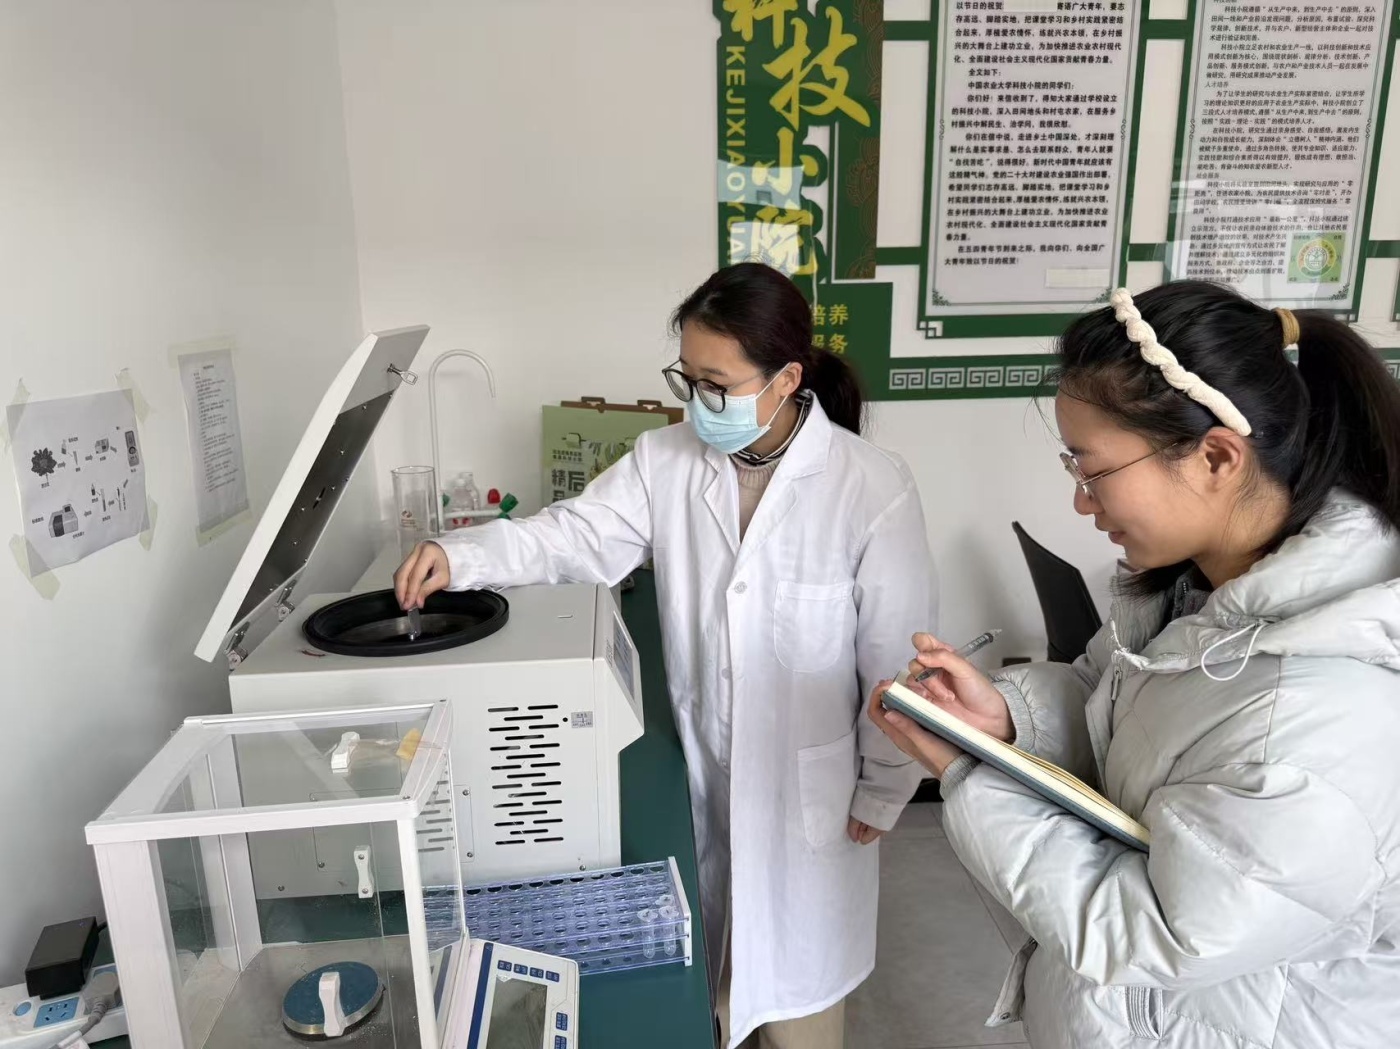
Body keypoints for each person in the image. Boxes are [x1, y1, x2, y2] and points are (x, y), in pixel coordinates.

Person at [397, 262, 939, 1048]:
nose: (698, 402)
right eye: (688, 379)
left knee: (798, 1019)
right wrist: (463, 557)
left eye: (717, 385)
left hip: (812, 807)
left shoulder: (870, 485)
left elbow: (897, 665)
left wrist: (884, 791)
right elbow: (574, 536)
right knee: (709, 996)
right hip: (707, 784)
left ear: (787, 379)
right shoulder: (665, 460)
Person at [869, 280, 1400, 1048]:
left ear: (1216, 457)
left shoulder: (1322, 722)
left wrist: (970, 776)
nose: (1082, 503)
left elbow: (1148, 928)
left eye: (1094, 471)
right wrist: (1007, 717)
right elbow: (1110, 695)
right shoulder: (1192, 590)